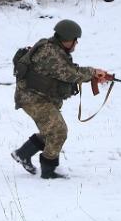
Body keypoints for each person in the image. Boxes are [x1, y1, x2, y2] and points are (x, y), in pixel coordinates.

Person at [10, 19, 112, 179]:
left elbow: (69, 70)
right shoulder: (50, 53)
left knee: (50, 131)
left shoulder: (55, 49)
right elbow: (70, 74)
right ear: (67, 39)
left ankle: (23, 154)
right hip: (32, 98)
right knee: (58, 131)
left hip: (39, 96)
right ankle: (49, 170)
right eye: (75, 40)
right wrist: (93, 73)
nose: (76, 43)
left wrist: (94, 76)